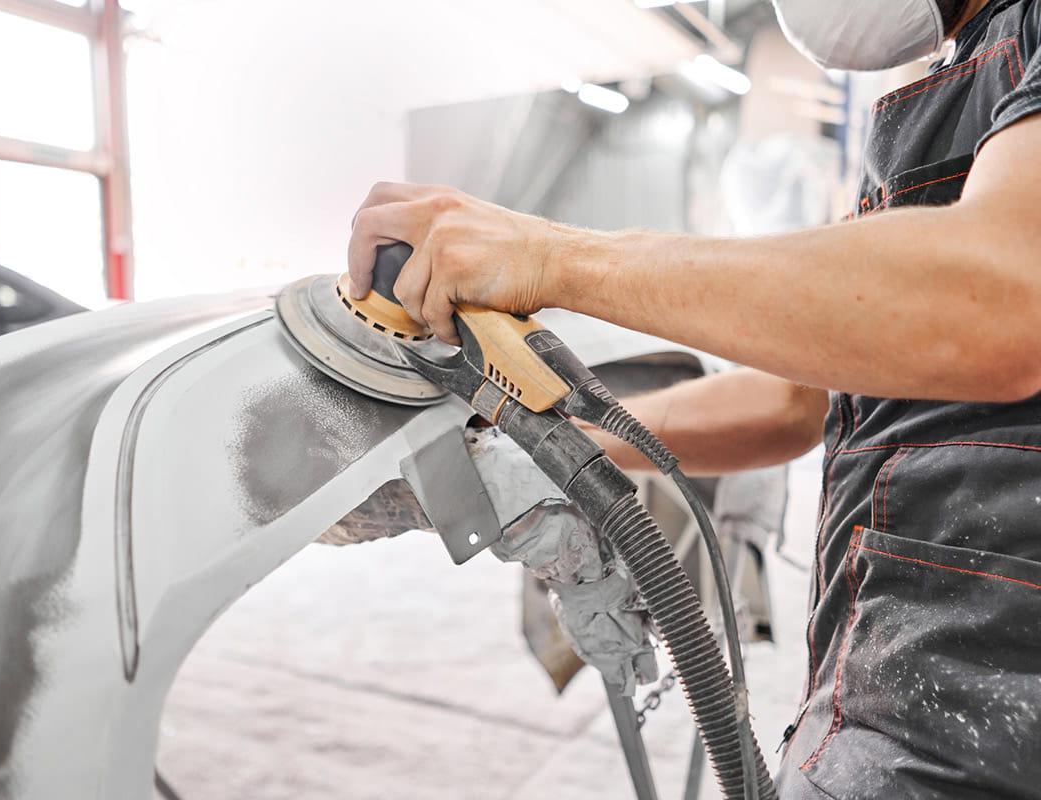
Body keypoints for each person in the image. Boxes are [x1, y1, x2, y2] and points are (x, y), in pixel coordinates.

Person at [346, 0, 1041, 797]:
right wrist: (539, 458)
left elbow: (998, 304)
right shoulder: (970, 80)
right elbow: (795, 400)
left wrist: (556, 258)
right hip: (891, 714)